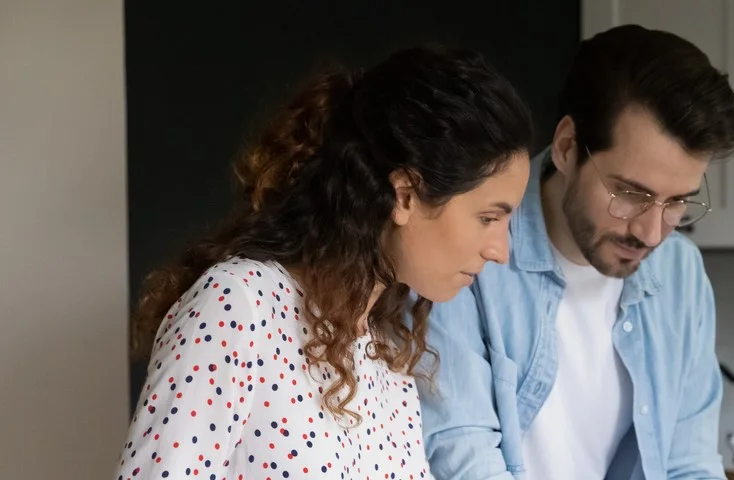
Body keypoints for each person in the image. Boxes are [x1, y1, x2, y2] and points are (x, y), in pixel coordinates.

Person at [115, 44, 534, 480]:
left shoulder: (386, 352)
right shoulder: (239, 308)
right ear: (405, 195)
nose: (500, 250)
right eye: (488, 218)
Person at [418, 25, 734, 479]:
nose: (651, 233)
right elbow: (462, 454)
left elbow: (688, 463)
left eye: (677, 202)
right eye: (630, 192)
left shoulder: (681, 274)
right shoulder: (468, 251)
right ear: (568, 147)